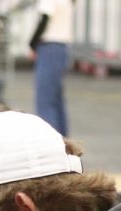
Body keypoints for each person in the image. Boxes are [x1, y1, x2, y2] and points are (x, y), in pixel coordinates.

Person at [29, 0, 73, 135]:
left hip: (49, 47)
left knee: (45, 101)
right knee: (56, 99)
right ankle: (64, 140)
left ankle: (51, 141)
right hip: (61, 48)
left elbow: (44, 19)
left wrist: (32, 44)